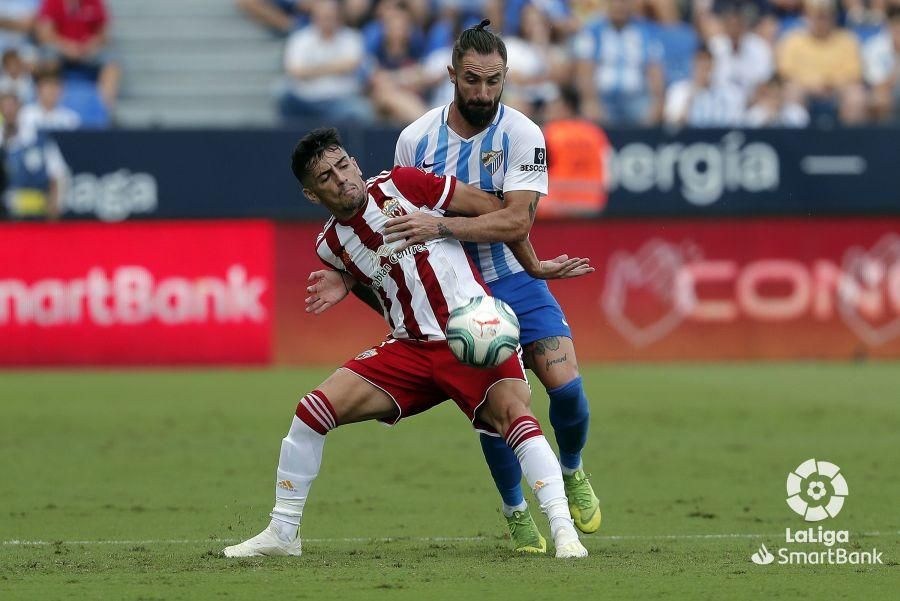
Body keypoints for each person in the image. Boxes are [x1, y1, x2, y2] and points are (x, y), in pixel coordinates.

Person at [222, 127, 591, 559]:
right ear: (311, 194)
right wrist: (345, 280)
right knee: (310, 412)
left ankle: (565, 533)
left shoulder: (405, 184)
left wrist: (442, 226)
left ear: (355, 163)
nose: (341, 179)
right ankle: (283, 533)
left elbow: (495, 210)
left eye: (343, 165)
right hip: (411, 348)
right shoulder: (330, 246)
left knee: (515, 416)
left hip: (471, 332)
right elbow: (375, 285)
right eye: (326, 177)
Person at [389, 21, 603, 554]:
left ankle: (572, 470)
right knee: (499, 409)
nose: (483, 92)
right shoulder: (415, 140)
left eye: (493, 81)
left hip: (513, 275)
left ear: (506, 75)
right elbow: (396, 222)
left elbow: (515, 223)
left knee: (568, 391)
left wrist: (444, 225)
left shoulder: (523, 134)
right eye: (472, 80)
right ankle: (514, 510)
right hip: (461, 294)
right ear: (451, 75)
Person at [0, 85, 68, 220]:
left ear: (20, 107)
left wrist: (54, 204)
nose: (9, 111)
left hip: (36, 211)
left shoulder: (38, 140)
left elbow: (58, 174)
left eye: (12, 106)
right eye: (4, 107)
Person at [664, 44, 745, 127]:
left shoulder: (731, 92)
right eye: (700, 63)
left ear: (713, 64)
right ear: (692, 64)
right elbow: (673, 126)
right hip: (690, 138)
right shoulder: (679, 90)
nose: (704, 67)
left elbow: (737, 123)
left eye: (707, 63)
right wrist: (691, 97)